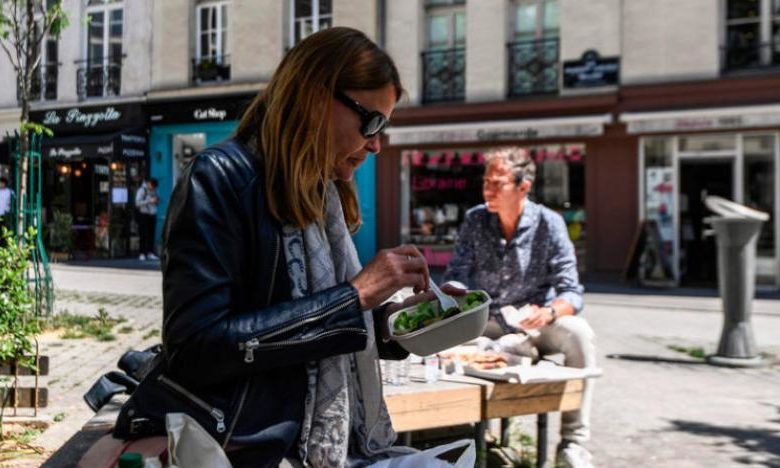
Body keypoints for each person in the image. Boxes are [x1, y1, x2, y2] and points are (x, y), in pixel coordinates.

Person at [115, 27, 442, 467]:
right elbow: (195, 348)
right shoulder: (219, 178)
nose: (376, 144)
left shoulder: (320, 193)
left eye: (383, 126)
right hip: (246, 448)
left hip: (309, 445)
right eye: (371, 122)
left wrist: (398, 324)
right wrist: (354, 297)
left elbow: (304, 334)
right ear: (314, 98)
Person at [443, 147, 596, 468]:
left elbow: (571, 291)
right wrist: (453, 291)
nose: (487, 190)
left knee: (579, 333)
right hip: (488, 319)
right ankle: (450, 434)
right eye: (485, 182)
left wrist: (550, 312)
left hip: (535, 323)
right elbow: (457, 273)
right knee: (436, 340)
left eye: (497, 183)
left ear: (523, 187)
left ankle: (572, 443)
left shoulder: (550, 223)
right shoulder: (475, 219)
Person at [134, 178, 159, 261]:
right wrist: (149, 201)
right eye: (152, 186)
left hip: (152, 214)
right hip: (143, 214)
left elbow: (156, 200)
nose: (153, 188)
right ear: (149, 183)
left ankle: (150, 253)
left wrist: (156, 201)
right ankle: (142, 253)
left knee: (151, 234)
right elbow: (137, 203)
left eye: (154, 187)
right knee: (143, 234)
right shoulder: (142, 190)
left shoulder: (154, 191)